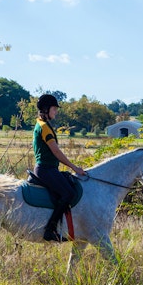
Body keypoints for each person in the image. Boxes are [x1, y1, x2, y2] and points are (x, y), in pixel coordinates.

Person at [32, 94, 87, 242]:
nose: (56, 111)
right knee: (68, 194)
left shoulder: (42, 124)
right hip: (46, 169)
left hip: (48, 169)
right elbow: (56, 152)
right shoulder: (44, 127)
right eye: (54, 109)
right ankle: (50, 230)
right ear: (45, 109)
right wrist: (75, 168)